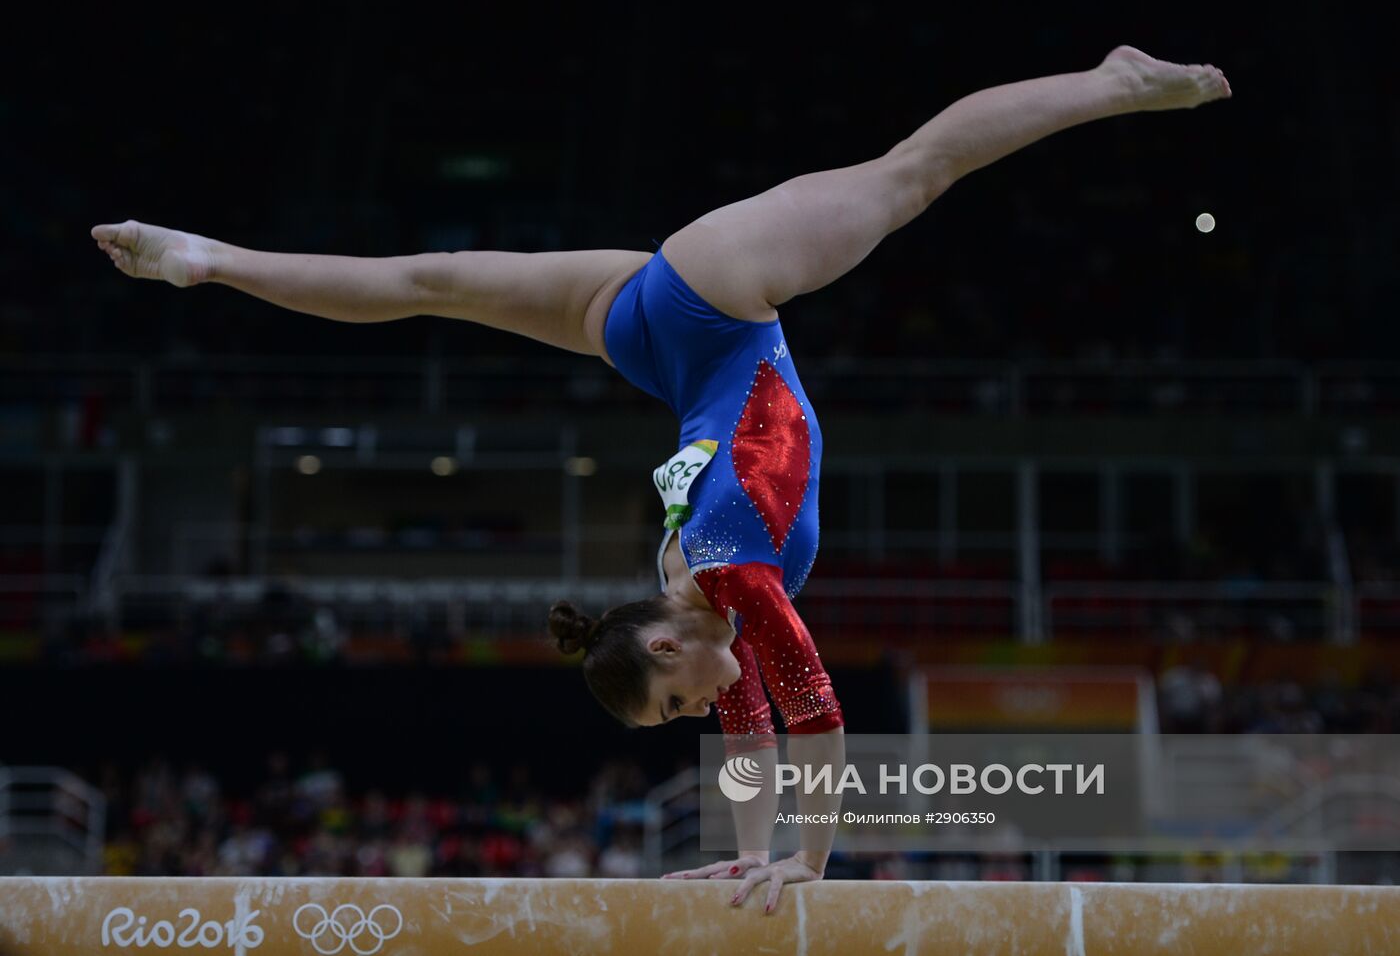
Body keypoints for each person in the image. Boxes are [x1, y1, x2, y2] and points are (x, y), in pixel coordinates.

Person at [91, 46, 1230, 910]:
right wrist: (744, 856)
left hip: (714, 298)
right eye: (683, 711)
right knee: (422, 279)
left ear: (668, 645)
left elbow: (815, 720)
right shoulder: (697, 598)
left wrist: (809, 867)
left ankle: (1108, 80)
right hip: (647, 333)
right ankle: (213, 258)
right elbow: (749, 729)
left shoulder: (729, 577)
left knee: (913, 172)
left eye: (677, 696)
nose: (702, 708)